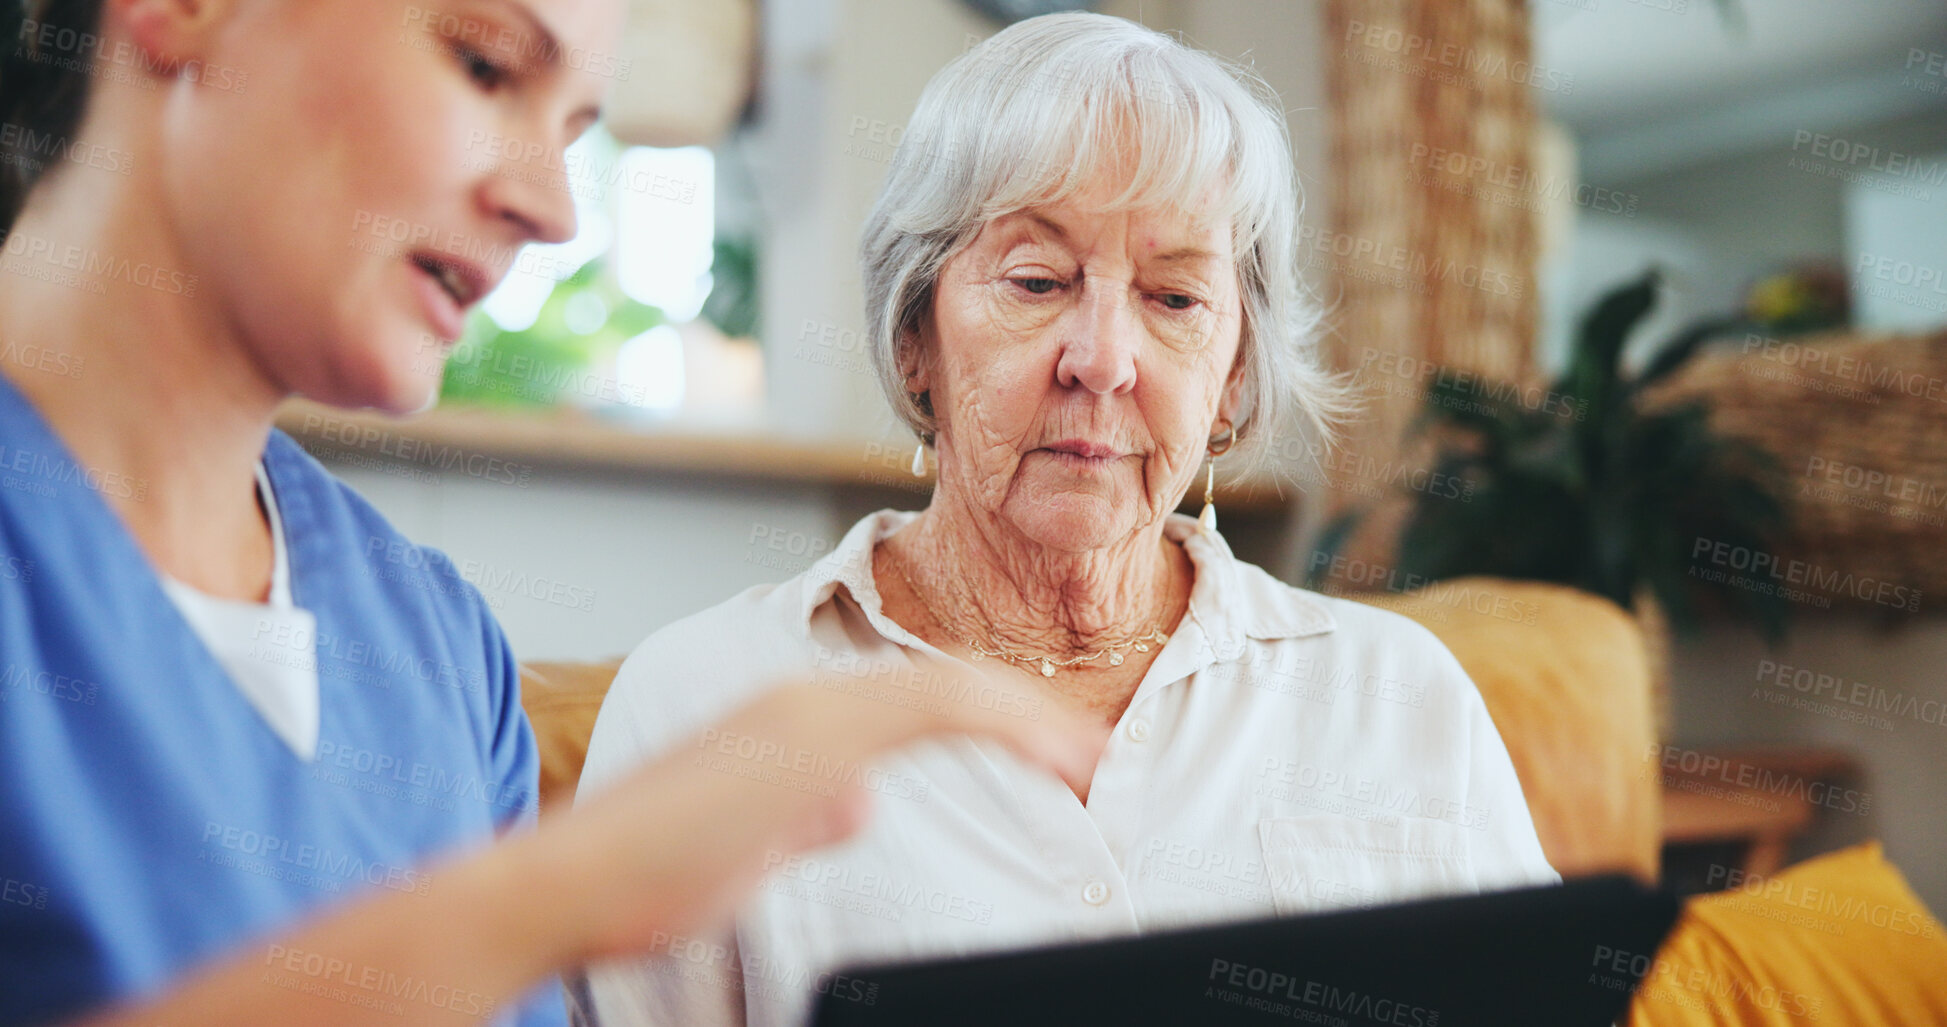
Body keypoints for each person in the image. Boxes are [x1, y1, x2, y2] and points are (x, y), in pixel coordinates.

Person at [0, 1, 1102, 1024]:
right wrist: (562, 889)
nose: (554, 208)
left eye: (576, 130)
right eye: (483, 66)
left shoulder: (434, 648)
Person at [579, 12, 1561, 1026]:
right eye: (1037, 281)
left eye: (1175, 298)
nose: (1103, 358)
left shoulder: (1398, 695)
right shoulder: (704, 703)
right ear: (915, 336)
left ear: (1232, 378)